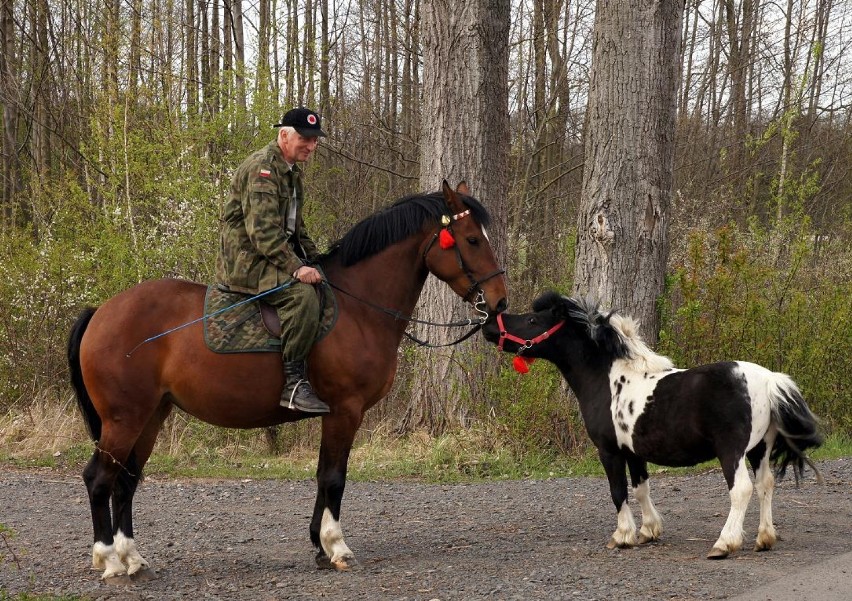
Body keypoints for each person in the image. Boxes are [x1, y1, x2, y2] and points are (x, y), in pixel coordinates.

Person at [216, 107, 330, 415]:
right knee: (302, 296)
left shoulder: (292, 172)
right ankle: (293, 385)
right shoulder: (262, 170)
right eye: (305, 139)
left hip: (270, 255)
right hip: (248, 261)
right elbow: (263, 233)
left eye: (315, 140)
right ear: (284, 135)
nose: (311, 146)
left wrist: (318, 259)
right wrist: (297, 268)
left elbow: (296, 228)